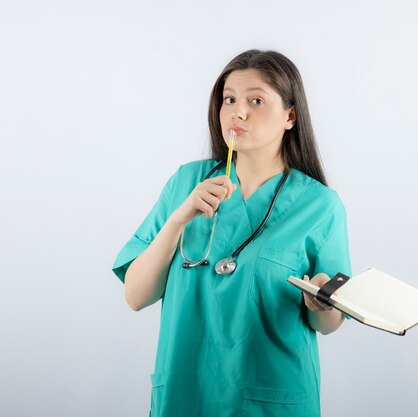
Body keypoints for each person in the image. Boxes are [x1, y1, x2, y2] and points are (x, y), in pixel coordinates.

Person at [112, 49, 351, 417]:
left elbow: (328, 323)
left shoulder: (319, 206)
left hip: (271, 399)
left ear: (290, 116)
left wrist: (320, 301)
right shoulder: (186, 183)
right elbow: (136, 296)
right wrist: (179, 220)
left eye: (256, 100)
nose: (238, 112)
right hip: (185, 394)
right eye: (229, 100)